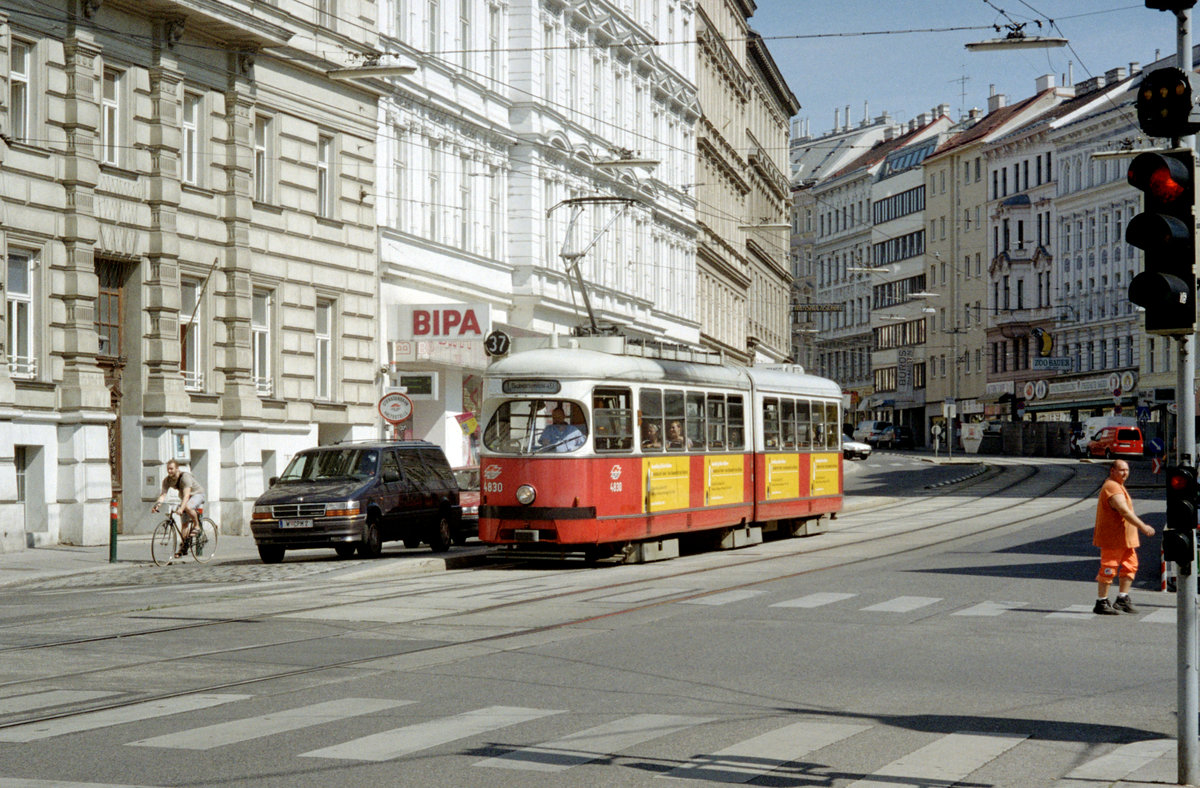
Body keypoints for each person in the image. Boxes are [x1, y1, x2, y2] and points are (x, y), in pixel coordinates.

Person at [1093, 459, 1154, 615]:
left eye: (1127, 470)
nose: (1125, 473)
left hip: (1125, 539)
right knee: (1109, 567)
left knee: (1130, 566)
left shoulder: (1118, 486)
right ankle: (1101, 601)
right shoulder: (1112, 487)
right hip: (1113, 538)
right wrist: (1143, 526)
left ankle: (1122, 598)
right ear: (1112, 471)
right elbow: (1124, 511)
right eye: (1121, 470)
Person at [151, 459, 206, 559]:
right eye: (168, 469)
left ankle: (197, 525)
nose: (169, 471)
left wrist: (181, 508)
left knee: (187, 507)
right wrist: (157, 505)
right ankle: (184, 548)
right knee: (184, 524)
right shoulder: (167, 480)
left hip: (197, 494)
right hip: (185, 497)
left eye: (171, 469)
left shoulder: (185, 477)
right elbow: (163, 494)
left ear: (177, 468)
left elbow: (186, 495)